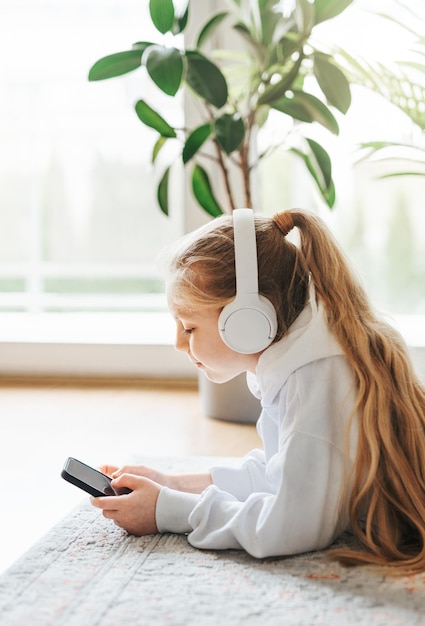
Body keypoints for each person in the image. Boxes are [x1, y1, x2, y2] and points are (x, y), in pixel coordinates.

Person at [91, 209, 425, 575]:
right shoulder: (305, 357)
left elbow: (290, 527)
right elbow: (281, 473)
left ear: (247, 319)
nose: (178, 343)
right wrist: (171, 485)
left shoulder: (315, 380)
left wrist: (169, 511)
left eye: (189, 328)